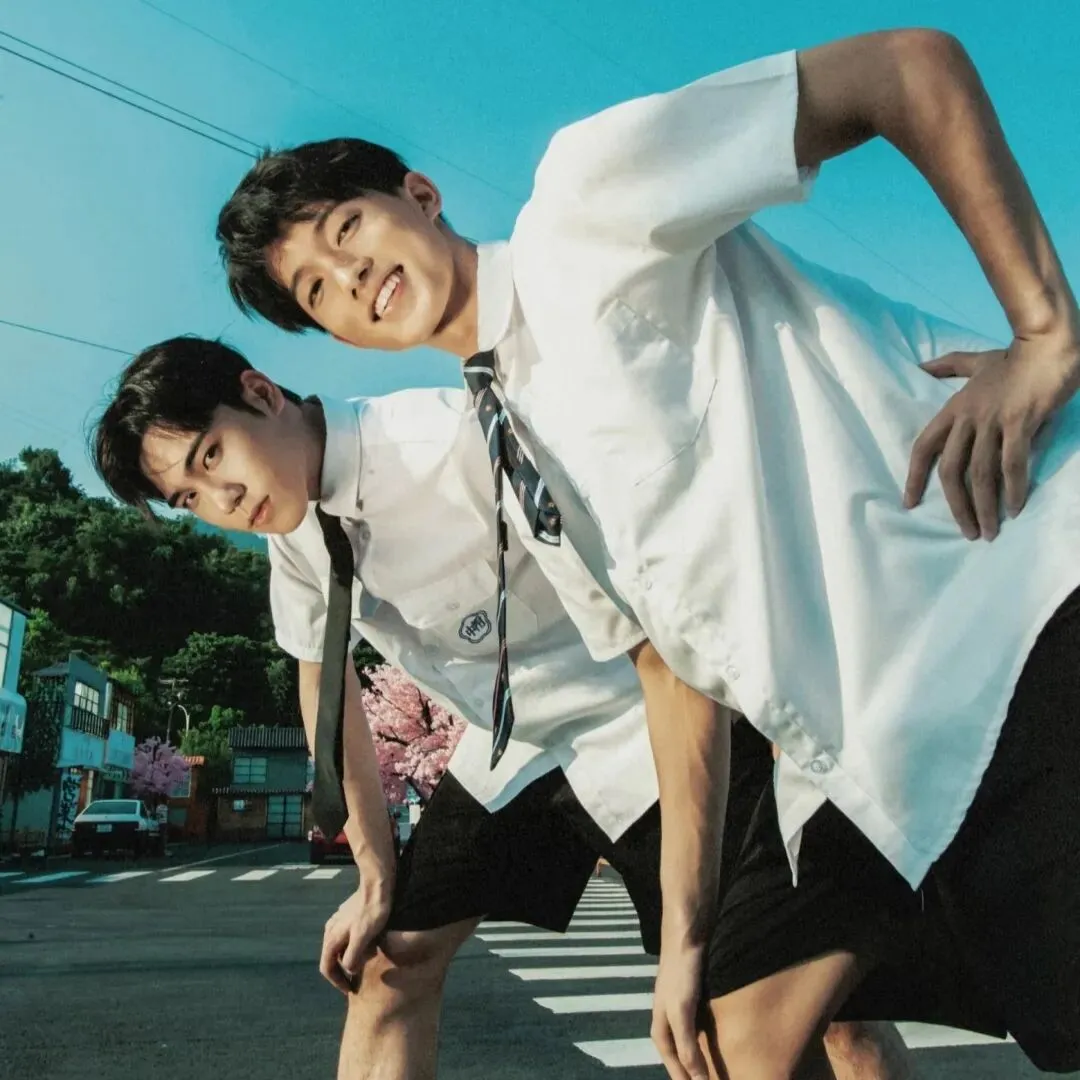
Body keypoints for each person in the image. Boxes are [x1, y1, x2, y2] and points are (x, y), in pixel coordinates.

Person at [215, 27, 1080, 1078]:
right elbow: (669, 673)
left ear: (421, 196)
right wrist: (684, 937)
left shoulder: (583, 204)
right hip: (876, 743)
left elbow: (906, 67)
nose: (349, 275)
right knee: (730, 1037)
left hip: (1009, 605)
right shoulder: (515, 454)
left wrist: (1044, 332)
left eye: (347, 228)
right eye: (316, 291)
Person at [89, 338, 912, 1080]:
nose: (224, 498)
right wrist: (374, 872)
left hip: (646, 720)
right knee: (388, 966)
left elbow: (676, 559)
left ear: (261, 393)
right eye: (191, 498)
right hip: (513, 744)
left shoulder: (444, 442)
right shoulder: (294, 532)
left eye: (212, 455)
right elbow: (323, 686)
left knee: (812, 1021)